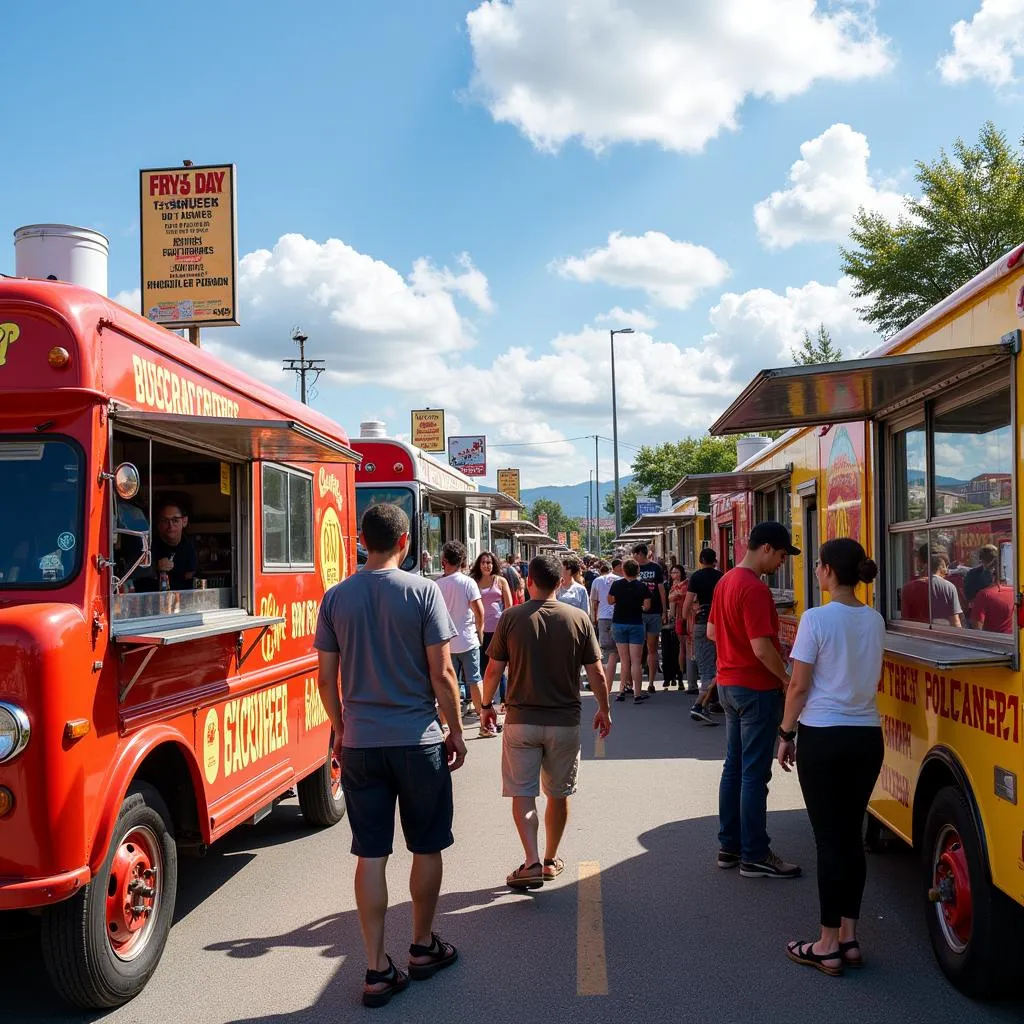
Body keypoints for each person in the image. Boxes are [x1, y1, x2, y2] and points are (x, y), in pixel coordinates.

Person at [314, 503, 466, 1008]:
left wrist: (340, 728)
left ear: (361, 540)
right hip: (418, 739)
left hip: (360, 743)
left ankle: (377, 969)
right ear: (404, 542)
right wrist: (456, 730)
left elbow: (325, 679)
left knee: (370, 853)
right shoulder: (422, 592)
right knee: (426, 845)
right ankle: (422, 946)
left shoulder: (335, 598)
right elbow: (443, 674)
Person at [777, 538, 885, 976]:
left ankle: (824, 944)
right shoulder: (874, 619)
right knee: (851, 837)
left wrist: (785, 732)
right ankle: (849, 937)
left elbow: (799, 686)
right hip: (866, 737)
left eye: (817, 566)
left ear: (825, 570)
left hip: (823, 736)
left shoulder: (816, 619)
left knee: (829, 840)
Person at [480, 552, 612, 888]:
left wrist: (485, 705)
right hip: (564, 722)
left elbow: (494, 669)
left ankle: (532, 861)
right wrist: (604, 709)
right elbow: (596, 672)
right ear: (560, 582)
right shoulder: (578, 618)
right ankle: (552, 858)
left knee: (523, 794)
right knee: (558, 793)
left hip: (521, 721)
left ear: (529, 582)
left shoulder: (510, 618)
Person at [708, 521, 801, 879]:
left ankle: (729, 846)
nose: (780, 563)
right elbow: (763, 648)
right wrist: (786, 678)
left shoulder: (725, 581)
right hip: (756, 690)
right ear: (765, 548)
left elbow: (715, 632)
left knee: (733, 767)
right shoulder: (755, 590)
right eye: (780, 555)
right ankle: (755, 853)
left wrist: (734, 654)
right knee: (753, 774)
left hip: (729, 684)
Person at [436, 541, 494, 738]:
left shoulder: (436, 585)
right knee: (475, 681)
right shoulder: (468, 583)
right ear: (462, 561)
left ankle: (444, 726)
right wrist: (479, 633)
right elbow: (480, 612)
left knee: (447, 684)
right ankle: (483, 724)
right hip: (468, 640)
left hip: (446, 643)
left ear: (444, 561)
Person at [683, 548, 725, 724]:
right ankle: (709, 703)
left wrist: (689, 613)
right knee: (720, 665)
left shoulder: (696, 577)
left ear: (700, 560)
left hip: (702, 624)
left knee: (707, 667)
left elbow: (686, 605)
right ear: (715, 561)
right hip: (721, 627)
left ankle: (700, 705)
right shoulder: (722, 577)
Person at [470, 551, 513, 707]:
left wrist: (507, 629)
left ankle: (502, 701)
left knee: (499, 667)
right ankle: (483, 702)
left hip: (497, 631)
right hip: (478, 631)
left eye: (489, 562)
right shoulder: (473, 582)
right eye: (483, 562)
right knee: (481, 667)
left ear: (493, 564)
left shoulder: (500, 581)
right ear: (478, 565)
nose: (486, 565)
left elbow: (509, 606)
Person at [609, 559, 651, 704]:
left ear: (624, 571)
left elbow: (610, 600)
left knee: (624, 660)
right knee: (636, 662)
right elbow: (647, 606)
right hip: (636, 623)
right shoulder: (642, 586)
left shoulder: (616, 584)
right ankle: (637, 694)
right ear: (638, 571)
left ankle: (621, 691)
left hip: (619, 623)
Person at [632, 543, 666, 693]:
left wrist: (664, 610)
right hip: (638, 613)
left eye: (635, 554)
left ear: (641, 554)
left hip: (653, 612)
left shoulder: (655, 567)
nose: (634, 557)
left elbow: (661, 589)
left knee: (651, 648)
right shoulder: (634, 568)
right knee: (638, 649)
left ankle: (651, 681)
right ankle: (637, 683)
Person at [900, 546, 962, 626]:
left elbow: (905, 620)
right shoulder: (949, 587)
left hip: (916, 634)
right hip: (941, 636)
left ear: (920, 562)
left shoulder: (908, 588)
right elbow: (955, 622)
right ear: (942, 565)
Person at [589, 559, 621, 697]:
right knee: (619, 653)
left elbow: (594, 601)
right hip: (618, 617)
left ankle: (604, 684)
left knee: (606, 652)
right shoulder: (619, 580)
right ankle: (622, 684)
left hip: (602, 617)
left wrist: (593, 617)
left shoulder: (597, 581)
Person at [152, 500, 198, 590]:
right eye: (165, 520)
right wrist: (154, 567)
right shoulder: (148, 546)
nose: (171, 525)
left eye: (175, 520)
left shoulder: (189, 546)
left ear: (184, 521)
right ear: (158, 523)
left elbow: (191, 574)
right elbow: (136, 575)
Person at [664, 564, 687, 688]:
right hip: (680, 618)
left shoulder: (678, 588)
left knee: (682, 647)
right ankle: (681, 675)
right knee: (680, 648)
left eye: (677, 572)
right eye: (672, 573)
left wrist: (671, 618)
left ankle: (682, 674)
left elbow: (672, 608)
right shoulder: (676, 586)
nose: (674, 575)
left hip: (681, 618)